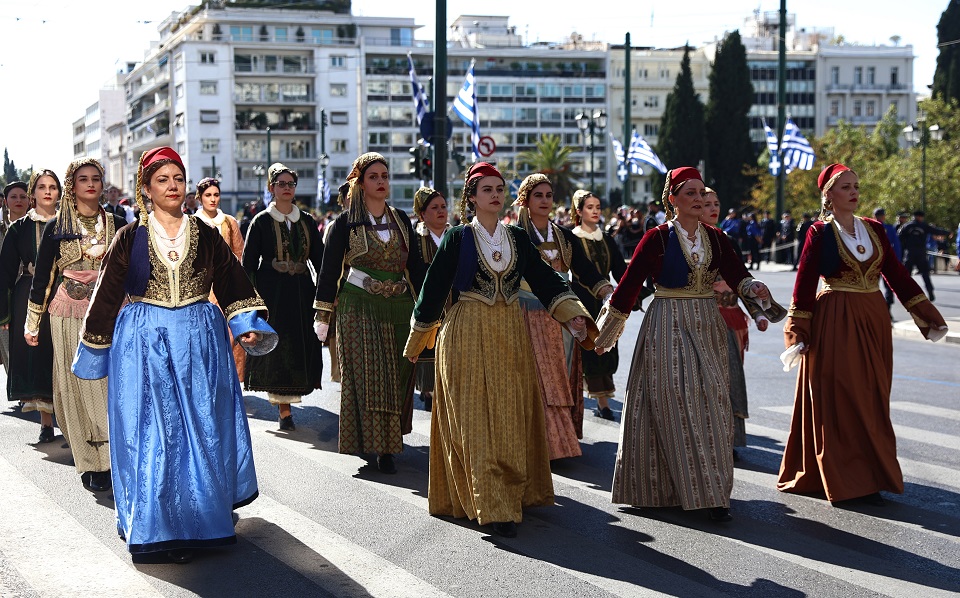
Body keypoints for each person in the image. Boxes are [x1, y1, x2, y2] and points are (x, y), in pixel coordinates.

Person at [71, 146, 276, 564]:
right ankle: (158, 524)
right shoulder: (131, 236)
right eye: (162, 180)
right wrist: (94, 348)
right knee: (154, 432)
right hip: (144, 344)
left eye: (178, 179)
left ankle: (201, 519)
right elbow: (107, 294)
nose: (172, 186)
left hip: (199, 342)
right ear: (145, 189)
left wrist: (247, 325)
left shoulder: (205, 234)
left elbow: (235, 282)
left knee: (202, 425)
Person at [403, 162, 594, 538]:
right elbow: (434, 288)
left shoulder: (517, 239)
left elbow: (544, 278)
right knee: (475, 421)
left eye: (500, 187)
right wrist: (418, 339)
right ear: (472, 197)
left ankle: (508, 494)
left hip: (509, 332)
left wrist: (572, 315)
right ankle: (491, 504)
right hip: (467, 333)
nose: (495, 193)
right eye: (487, 188)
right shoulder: (458, 238)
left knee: (508, 417)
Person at [594, 167, 772, 522]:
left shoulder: (717, 238)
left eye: (701, 193)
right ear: (672, 199)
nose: (698, 199)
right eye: (689, 193)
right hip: (667, 321)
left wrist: (754, 290)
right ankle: (673, 490)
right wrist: (604, 335)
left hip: (707, 323)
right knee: (673, 399)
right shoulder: (657, 238)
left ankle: (713, 491)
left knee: (713, 403)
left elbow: (738, 275)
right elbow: (629, 286)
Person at [777, 164, 947, 506]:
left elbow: (896, 274)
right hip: (835, 318)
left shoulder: (875, 229)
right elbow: (805, 283)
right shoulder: (819, 233)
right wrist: (798, 331)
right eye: (846, 187)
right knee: (841, 395)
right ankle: (844, 477)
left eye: (856, 185)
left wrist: (925, 314)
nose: (854, 192)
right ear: (828, 195)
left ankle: (870, 474)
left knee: (872, 397)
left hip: (873, 318)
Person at [314, 152, 425, 475]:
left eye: (385, 176)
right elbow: (329, 271)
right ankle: (383, 448)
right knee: (372, 377)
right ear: (360, 184)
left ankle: (389, 437)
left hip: (400, 307)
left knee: (399, 375)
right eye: (374, 176)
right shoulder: (344, 224)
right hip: (358, 306)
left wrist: (427, 312)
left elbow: (415, 269)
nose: (381, 182)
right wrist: (322, 315)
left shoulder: (402, 220)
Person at [26, 158, 126, 492]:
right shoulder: (57, 227)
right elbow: (42, 279)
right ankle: (90, 462)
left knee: (113, 384)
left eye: (96, 178)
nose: (91, 184)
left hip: (113, 312)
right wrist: (31, 324)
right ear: (72, 184)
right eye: (83, 179)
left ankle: (115, 456)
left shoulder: (120, 222)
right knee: (78, 384)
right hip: (69, 312)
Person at [514, 174, 610, 460]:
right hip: (526, 314)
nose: (545, 201)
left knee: (562, 374)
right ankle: (539, 442)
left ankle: (560, 437)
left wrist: (605, 289)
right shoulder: (516, 235)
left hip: (563, 316)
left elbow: (584, 269)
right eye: (538, 196)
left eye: (548, 195)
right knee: (538, 377)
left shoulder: (564, 236)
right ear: (526, 201)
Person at [700, 188, 784, 456]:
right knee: (703, 381)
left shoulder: (727, 240)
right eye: (706, 203)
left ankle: (727, 440)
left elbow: (741, 281)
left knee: (730, 378)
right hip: (701, 320)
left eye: (717, 202)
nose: (713, 208)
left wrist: (759, 313)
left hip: (732, 321)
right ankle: (702, 438)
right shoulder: (684, 241)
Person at [242, 163, 324, 430]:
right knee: (276, 348)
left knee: (299, 345)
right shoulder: (262, 221)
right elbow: (248, 264)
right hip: (272, 294)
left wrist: (325, 295)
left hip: (300, 292)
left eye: (291, 184)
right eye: (281, 184)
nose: (287, 189)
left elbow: (321, 261)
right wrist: (252, 302)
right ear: (271, 188)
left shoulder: (307, 221)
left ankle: (289, 400)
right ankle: (284, 410)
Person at [0, 171, 59, 440]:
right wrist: (5, 313)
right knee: (38, 356)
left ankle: (70, 420)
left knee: (62, 355)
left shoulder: (70, 224)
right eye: (41, 187)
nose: (47, 192)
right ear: (33, 193)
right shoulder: (19, 228)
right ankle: (46, 422)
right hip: (29, 294)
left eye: (53, 187)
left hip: (66, 294)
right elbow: (4, 273)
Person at [570, 190, 628, 421]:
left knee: (608, 347)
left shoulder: (607, 238)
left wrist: (637, 292)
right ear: (579, 211)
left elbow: (621, 271)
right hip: (580, 301)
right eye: (589, 207)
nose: (595, 211)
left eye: (597, 206)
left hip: (605, 301)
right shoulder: (571, 237)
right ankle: (601, 403)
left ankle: (601, 397)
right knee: (589, 350)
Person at [196, 177, 246, 382]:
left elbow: (239, 253)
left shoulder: (229, 222)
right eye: (208, 195)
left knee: (231, 335)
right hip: (201, 289)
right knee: (205, 336)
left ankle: (231, 384)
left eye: (216, 195)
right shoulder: (192, 223)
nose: (213, 199)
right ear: (200, 198)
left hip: (226, 286)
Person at [411, 186, 450, 412]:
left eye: (443, 206)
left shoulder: (458, 235)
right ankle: (429, 390)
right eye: (434, 208)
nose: (440, 211)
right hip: (425, 303)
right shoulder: (415, 240)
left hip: (454, 303)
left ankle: (443, 391)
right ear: (422, 214)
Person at [0, 181, 31, 392]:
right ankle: (19, 387)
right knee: (7, 338)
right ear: (5, 201)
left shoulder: (41, 226)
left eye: (23, 196)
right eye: (14, 197)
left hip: (32, 289)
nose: (18, 200)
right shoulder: (2, 230)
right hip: (5, 290)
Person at [898, 210, 949, 302]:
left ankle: (905, 294)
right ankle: (930, 291)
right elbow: (935, 231)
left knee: (907, 275)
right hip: (921, 253)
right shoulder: (923, 226)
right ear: (920, 217)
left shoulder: (907, 226)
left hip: (909, 253)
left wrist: (905, 247)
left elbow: (899, 237)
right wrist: (947, 232)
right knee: (925, 274)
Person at [873, 208, 903, 313]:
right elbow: (896, 245)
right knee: (889, 286)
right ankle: (887, 309)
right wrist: (897, 260)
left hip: (873, 261)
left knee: (872, 285)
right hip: (886, 261)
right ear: (883, 216)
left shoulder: (870, 227)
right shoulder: (889, 228)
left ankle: (874, 309)